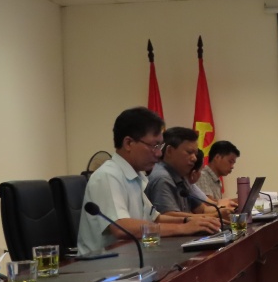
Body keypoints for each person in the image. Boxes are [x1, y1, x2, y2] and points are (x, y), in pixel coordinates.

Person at [76, 107, 219, 256]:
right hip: (103, 265)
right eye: (154, 146)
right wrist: (183, 228)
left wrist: (193, 221)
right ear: (128, 143)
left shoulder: (137, 176)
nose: (159, 153)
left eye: (160, 146)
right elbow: (121, 227)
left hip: (131, 259)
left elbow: (155, 218)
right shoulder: (108, 176)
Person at [146, 126, 223, 230]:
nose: (194, 158)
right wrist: (215, 216)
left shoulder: (180, 175)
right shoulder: (162, 177)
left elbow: (201, 210)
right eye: (189, 152)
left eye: (195, 154)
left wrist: (222, 212)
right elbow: (168, 216)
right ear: (169, 151)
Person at [199, 140, 240, 212]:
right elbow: (209, 204)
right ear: (217, 157)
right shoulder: (202, 176)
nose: (232, 167)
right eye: (230, 162)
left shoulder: (216, 179)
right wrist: (240, 200)